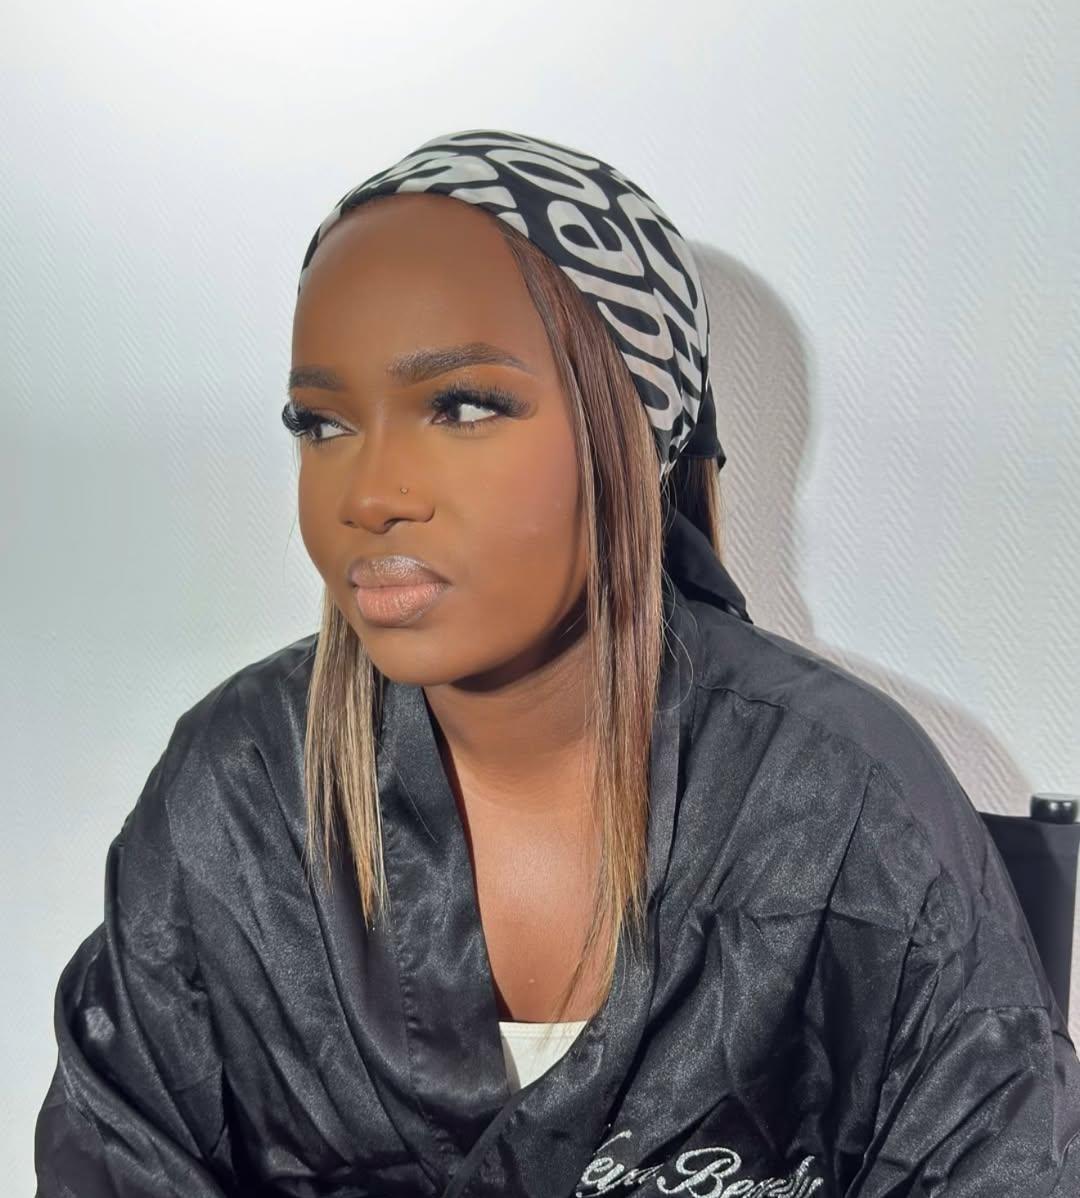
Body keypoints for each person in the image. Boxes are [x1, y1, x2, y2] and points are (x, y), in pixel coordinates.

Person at [34, 129, 1080, 1196]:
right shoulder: (244, 788)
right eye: (322, 423)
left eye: (463, 406)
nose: (370, 493)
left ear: (634, 430)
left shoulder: (841, 803)